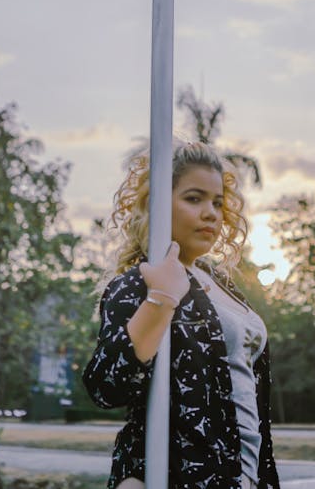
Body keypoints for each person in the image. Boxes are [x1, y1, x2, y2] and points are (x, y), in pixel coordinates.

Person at [82, 140, 281, 489]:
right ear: (157, 204)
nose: (211, 213)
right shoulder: (140, 282)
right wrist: (160, 298)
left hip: (246, 477)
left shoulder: (220, 282)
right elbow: (106, 386)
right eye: (194, 198)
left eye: (218, 203)